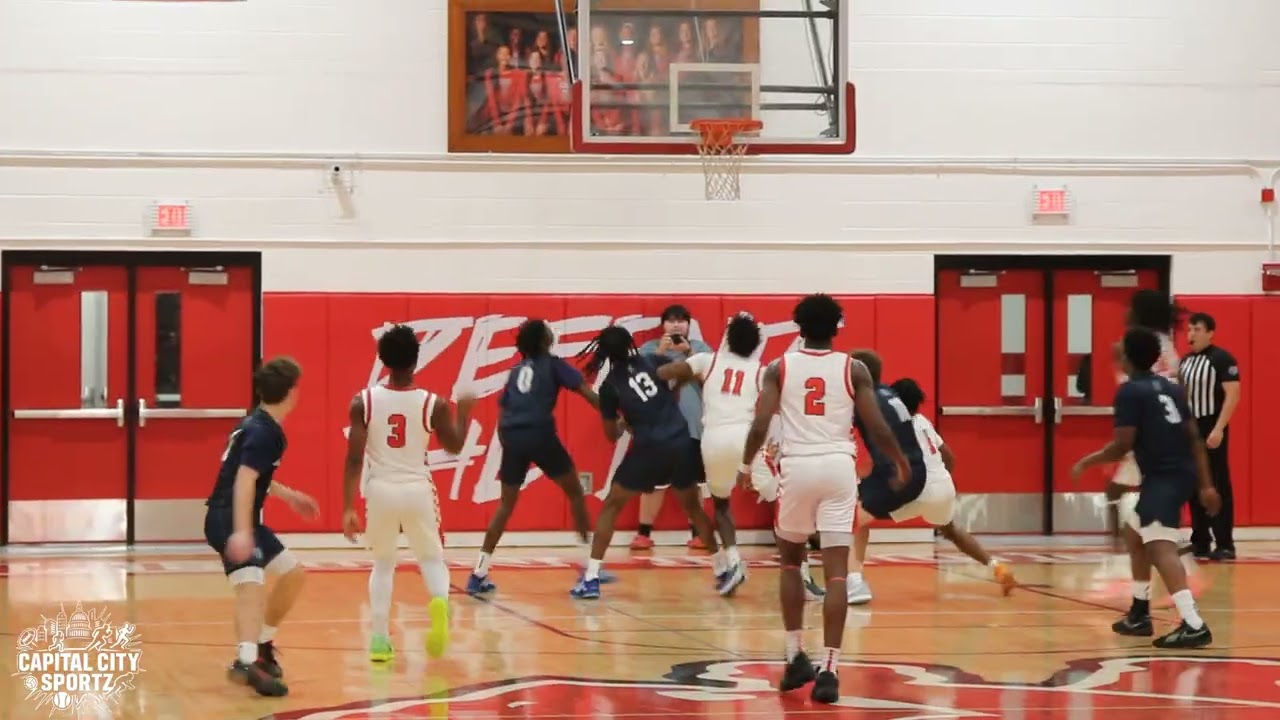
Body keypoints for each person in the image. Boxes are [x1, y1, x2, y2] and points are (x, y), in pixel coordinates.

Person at [736, 294, 910, 705]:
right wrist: (900, 461)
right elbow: (877, 425)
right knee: (836, 573)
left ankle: (796, 654)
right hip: (837, 467)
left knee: (792, 563)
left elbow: (761, 422)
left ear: (798, 327)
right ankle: (830, 667)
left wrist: (745, 467)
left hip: (797, 468)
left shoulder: (780, 367)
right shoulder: (856, 368)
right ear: (837, 327)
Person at [1074, 328, 1220, 649]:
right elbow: (1194, 438)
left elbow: (1121, 444)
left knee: (1160, 545)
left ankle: (1193, 623)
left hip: (1164, 477)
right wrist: (1206, 485)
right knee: (1134, 532)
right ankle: (1140, 611)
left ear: (1127, 357)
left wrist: (1088, 461)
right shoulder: (1170, 388)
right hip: (1180, 472)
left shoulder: (1130, 392)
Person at [572, 325, 742, 599]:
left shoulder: (609, 387)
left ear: (603, 353)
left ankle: (591, 578)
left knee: (611, 506)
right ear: (630, 344)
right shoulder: (654, 360)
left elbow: (610, 435)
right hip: (680, 440)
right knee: (693, 508)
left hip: (649, 448)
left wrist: (624, 422)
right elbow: (682, 376)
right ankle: (722, 568)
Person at [340, 325, 474, 662]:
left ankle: (381, 640)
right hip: (417, 489)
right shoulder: (434, 403)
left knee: (383, 565)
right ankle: (439, 601)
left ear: (382, 360)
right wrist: (467, 411)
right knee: (431, 559)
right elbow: (455, 445)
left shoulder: (363, 401)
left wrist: (347, 507)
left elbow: (354, 457)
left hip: (380, 490)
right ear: (416, 360)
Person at [467, 319, 611, 595]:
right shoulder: (554, 364)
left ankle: (479, 572)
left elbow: (502, 414)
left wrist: (508, 443)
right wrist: (611, 413)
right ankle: (589, 566)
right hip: (539, 433)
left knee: (505, 505)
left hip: (511, 435)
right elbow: (585, 392)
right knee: (575, 493)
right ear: (546, 341)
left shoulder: (516, 370)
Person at [204, 356, 319, 698]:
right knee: (250, 586)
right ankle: (245, 661)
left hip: (241, 516)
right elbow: (243, 480)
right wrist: (241, 531)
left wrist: (289, 496)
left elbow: (255, 475)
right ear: (291, 393)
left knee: (294, 573)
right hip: (228, 517)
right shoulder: (262, 431)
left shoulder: (259, 424)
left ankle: (262, 642)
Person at [654, 312, 762, 581]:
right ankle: (803, 573)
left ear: (727, 337)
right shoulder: (761, 370)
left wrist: (683, 371)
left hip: (714, 438)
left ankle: (734, 560)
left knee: (722, 505)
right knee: (781, 503)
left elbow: (663, 372)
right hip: (748, 438)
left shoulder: (707, 360)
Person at [1105, 291, 1186, 610]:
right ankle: (1142, 598)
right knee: (1135, 513)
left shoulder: (1134, 346)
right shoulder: (1167, 345)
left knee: (1141, 517)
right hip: (1165, 433)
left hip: (1147, 436)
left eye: (1129, 306)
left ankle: (1178, 576)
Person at [632, 303, 714, 551]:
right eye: (671, 320)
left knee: (694, 482)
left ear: (689, 325)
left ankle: (697, 532)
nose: (677, 324)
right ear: (663, 325)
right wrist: (661, 351)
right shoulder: (648, 349)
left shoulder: (701, 350)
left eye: (681, 320)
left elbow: (710, 380)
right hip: (659, 428)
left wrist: (688, 353)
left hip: (692, 426)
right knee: (654, 483)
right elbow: (641, 381)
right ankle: (644, 533)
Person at [1179, 312, 1241, 560]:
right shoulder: (1185, 361)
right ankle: (1200, 540)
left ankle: (1225, 543)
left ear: (1210, 332)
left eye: (1196, 329)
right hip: (1190, 429)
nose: (1191, 334)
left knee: (1217, 484)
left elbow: (1233, 395)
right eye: (1189, 329)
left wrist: (1219, 428)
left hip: (1211, 425)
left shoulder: (1222, 359)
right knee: (1194, 485)